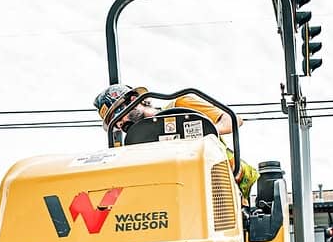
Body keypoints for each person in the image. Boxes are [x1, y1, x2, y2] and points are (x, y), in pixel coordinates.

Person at [94, 83, 259, 197]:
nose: (119, 124)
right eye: (114, 123)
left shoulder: (181, 105)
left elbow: (234, 120)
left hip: (227, 180)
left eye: (118, 114)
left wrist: (207, 130)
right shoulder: (136, 146)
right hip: (181, 192)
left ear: (133, 100)